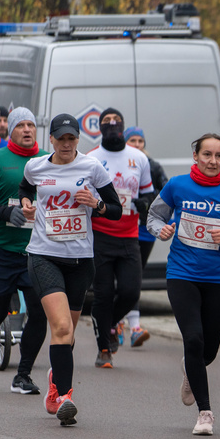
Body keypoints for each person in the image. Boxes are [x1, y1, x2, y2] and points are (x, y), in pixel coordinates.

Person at [19, 113, 123, 426]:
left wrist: (96, 204)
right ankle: (64, 396)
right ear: (51, 139)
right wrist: (25, 202)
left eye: (71, 139)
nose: (66, 144)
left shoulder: (92, 167)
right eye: (60, 138)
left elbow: (116, 211)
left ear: (78, 140)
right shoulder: (36, 166)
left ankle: (55, 381)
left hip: (80, 260)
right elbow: (25, 188)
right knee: (61, 327)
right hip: (43, 255)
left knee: (68, 334)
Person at [147, 133, 220, 436]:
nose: (212, 161)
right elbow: (154, 215)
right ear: (195, 156)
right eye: (207, 154)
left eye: (218, 156)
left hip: (219, 277)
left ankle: (190, 369)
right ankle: (205, 413)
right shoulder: (177, 185)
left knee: (208, 351)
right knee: (193, 339)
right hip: (182, 274)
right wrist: (162, 230)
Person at [0, 109, 48, 392]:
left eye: (31, 124)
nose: (27, 129)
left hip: (37, 253)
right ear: (10, 130)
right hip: (1, 250)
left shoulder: (49, 160)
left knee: (39, 313)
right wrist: (4, 213)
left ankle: (23, 374)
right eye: (20, 125)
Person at [88, 108, 154, 368]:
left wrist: (143, 203)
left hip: (129, 236)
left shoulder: (138, 158)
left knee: (130, 291)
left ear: (124, 127)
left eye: (117, 122)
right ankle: (104, 348)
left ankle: (108, 323)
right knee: (103, 295)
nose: (112, 126)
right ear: (100, 129)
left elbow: (149, 192)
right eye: (107, 122)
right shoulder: (91, 159)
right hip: (100, 236)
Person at [120, 126, 169, 347]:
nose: (137, 145)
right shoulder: (119, 163)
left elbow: (166, 193)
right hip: (120, 228)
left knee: (134, 276)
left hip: (144, 230)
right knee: (122, 278)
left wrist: (147, 201)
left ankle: (132, 326)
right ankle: (123, 323)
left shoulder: (153, 166)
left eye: (140, 141)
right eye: (133, 140)